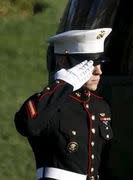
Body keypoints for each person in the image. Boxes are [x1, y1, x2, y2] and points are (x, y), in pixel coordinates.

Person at [15, 28, 113, 180]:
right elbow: (30, 125)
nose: (98, 71)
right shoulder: (47, 103)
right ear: (63, 61)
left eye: (99, 63)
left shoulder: (100, 105)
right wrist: (63, 85)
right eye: (88, 63)